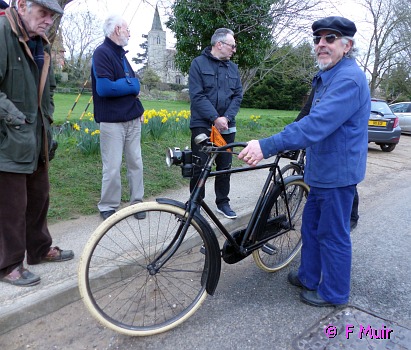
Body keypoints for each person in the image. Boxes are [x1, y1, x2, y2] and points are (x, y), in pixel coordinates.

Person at [239, 16, 370, 306]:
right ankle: (310, 275)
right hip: (321, 169)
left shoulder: (348, 79)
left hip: (338, 174)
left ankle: (334, 293)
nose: (321, 45)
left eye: (330, 38)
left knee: (333, 234)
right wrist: (282, 141)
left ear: (346, 45)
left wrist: (267, 145)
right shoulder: (328, 76)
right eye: (318, 39)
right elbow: (308, 117)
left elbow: (318, 124)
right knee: (310, 226)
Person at [0, 0, 74, 287]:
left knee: (39, 197)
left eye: (52, 16)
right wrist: (17, 119)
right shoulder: (3, 32)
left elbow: (50, 88)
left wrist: (47, 118)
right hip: (8, 140)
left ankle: (40, 249)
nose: (48, 21)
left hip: (37, 137)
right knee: (11, 205)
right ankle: (9, 264)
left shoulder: (40, 43)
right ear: (21, 5)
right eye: (43, 13)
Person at [91, 15, 145, 221]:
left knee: (136, 163)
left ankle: (137, 203)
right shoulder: (102, 53)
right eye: (127, 29)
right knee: (112, 167)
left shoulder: (121, 55)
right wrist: (130, 85)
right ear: (116, 30)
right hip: (112, 121)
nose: (129, 33)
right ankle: (108, 206)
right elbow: (105, 88)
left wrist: (130, 86)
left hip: (132, 118)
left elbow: (136, 84)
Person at [189, 28, 243, 219]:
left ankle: (223, 202)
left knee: (224, 166)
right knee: (200, 166)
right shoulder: (198, 64)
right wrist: (215, 118)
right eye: (232, 46)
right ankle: (195, 203)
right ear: (219, 44)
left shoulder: (233, 68)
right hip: (202, 125)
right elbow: (197, 95)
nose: (234, 50)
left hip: (227, 127)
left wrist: (226, 118)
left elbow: (238, 95)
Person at [295, 89, 360, 231]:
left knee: (346, 182)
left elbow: (325, 119)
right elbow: (307, 110)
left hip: (341, 152)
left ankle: (352, 217)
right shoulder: (319, 83)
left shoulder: (346, 82)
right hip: (318, 148)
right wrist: (292, 130)